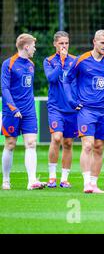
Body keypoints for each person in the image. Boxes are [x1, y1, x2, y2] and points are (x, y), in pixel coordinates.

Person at [64, 30, 104, 193]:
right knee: (88, 145)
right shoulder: (81, 60)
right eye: (102, 43)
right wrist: (71, 100)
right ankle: (86, 183)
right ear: (94, 42)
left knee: (99, 147)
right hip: (86, 110)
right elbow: (67, 80)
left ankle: (94, 183)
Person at [1, 33, 46, 190]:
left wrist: (27, 108)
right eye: (33, 45)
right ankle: (6, 180)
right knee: (10, 144)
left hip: (29, 111)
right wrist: (13, 108)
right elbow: (5, 88)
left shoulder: (31, 64)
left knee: (31, 143)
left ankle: (32, 181)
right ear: (26, 46)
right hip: (11, 111)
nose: (35, 48)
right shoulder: (9, 64)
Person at [44, 31, 78, 188]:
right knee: (56, 138)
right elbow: (51, 78)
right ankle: (52, 177)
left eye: (66, 43)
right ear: (55, 44)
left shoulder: (75, 61)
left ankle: (64, 178)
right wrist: (61, 61)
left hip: (71, 108)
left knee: (68, 143)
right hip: (55, 107)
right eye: (61, 43)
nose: (64, 46)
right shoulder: (49, 61)